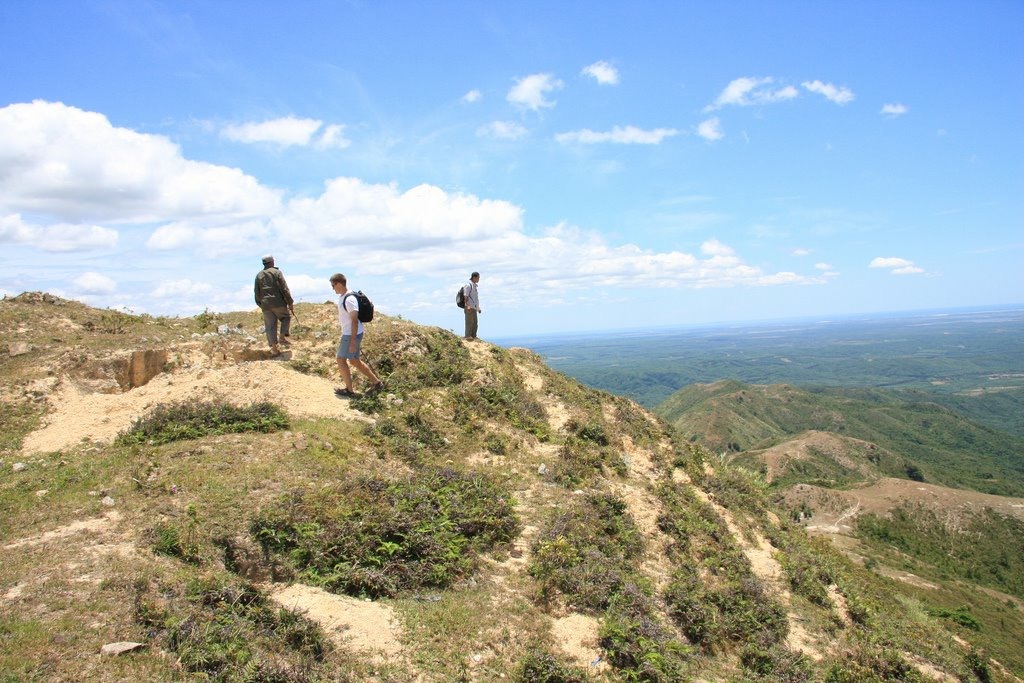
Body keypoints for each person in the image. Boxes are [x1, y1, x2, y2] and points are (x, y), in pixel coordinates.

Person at [330, 273, 383, 398]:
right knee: (354, 360)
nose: (332, 288)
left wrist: (353, 341)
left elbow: (354, 320)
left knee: (340, 359)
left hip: (351, 334)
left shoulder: (349, 299)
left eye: (333, 285)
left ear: (339, 283)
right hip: (350, 333)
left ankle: (349, 390)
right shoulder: (344, 297)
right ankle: (377, 383)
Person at [254, 254, 294, 355]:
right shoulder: (277, 272)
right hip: (278, 302)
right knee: (286, 317)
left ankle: (274, 349)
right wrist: (290, 302)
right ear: (272, 262)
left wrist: (261, 304)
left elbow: (256, 292)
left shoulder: (258, 275)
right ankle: (282, 337)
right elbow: (284, 288)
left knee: (270, 326)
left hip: (265, 305)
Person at [462, 271, 481, 340]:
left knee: (475, 322)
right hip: (469, 307)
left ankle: (473, 336)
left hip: (474, 307)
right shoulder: (468, 285)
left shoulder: (474, 286)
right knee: (469, 322)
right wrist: (467, 305)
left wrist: (478, 308)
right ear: (474, 277)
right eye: (478, 278)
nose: (478, 279)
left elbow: (475, 298)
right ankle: (467, 336)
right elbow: (465, 296)